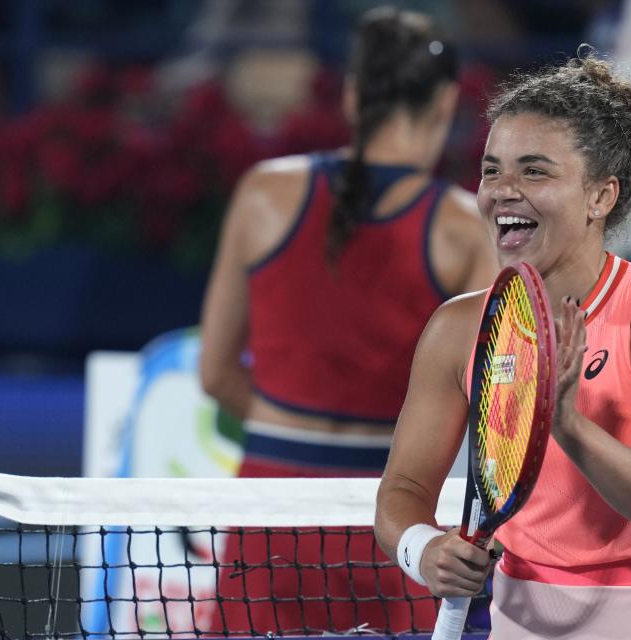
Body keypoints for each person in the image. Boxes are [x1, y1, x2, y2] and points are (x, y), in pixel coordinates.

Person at [375, 50, 631, 639]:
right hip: (521, 619)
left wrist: (566, 422)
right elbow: (403, 492)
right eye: (492, 169)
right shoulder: (458, 329)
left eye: (534, 171)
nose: (503, 191)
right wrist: (422, 549)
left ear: (601, 196)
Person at [197, 6, 497, 636]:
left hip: (268, 507)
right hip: (396, 520)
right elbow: (479, 399)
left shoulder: (263, 192)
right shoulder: (468, 228)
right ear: (446, 103)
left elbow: (216, 374)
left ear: (355, 95)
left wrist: (293, 437)